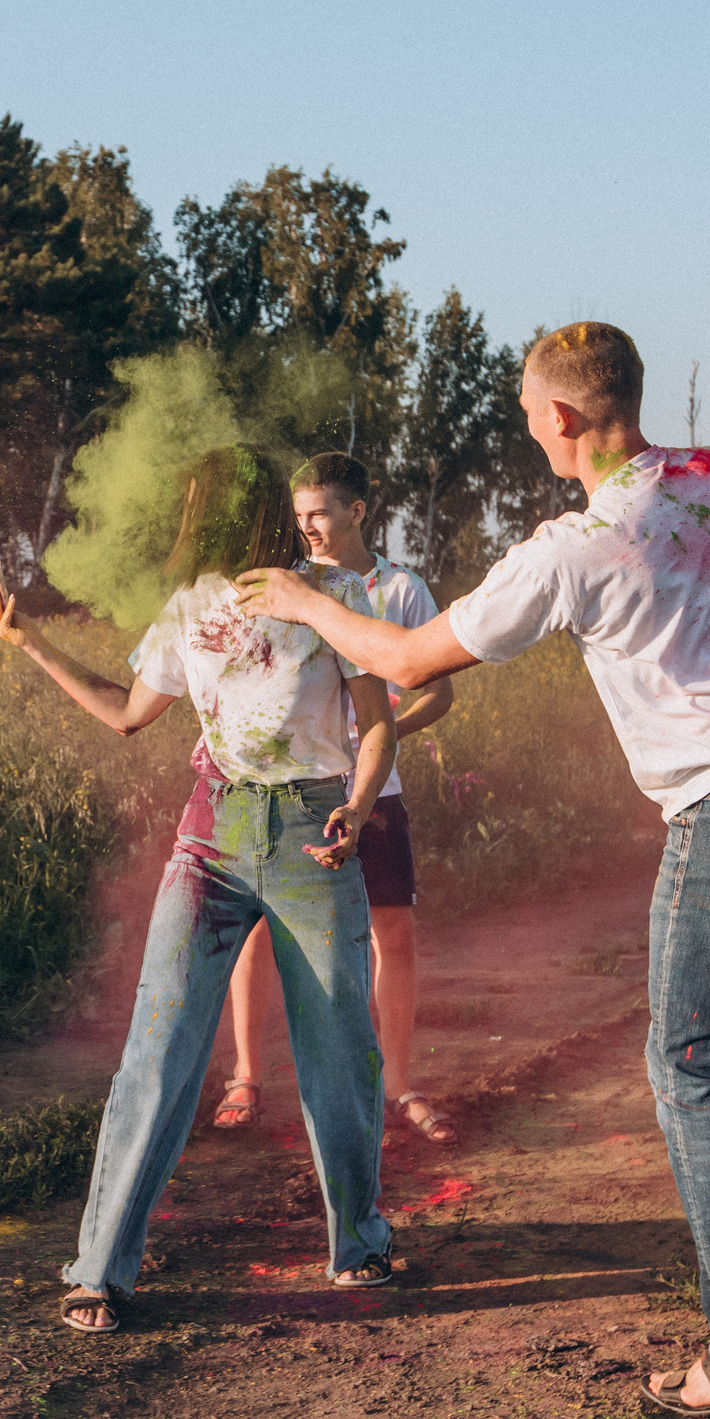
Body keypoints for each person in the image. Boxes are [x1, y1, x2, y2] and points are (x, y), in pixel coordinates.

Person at [237, 323, 710, 1418]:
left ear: (561, 418)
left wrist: (305, 602)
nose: (525, 428)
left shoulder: (574, 547)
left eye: (524, 413)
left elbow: (410, 660)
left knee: (693, 1073)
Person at [0, 442, 400, 1332]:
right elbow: (128, 715)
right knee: (159, 1047)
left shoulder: (333, 598)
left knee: (338, 1047)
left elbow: (377, 729)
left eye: (195, 503)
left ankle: (359, 1243)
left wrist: (360, 809)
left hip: (311, 834)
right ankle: (99, 1269)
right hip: (211, 833)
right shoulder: (188, 608)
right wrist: (28, 642)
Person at [215, 452, 458, 1145]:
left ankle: (399, 1083)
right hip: (292, 791)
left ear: (358, 509)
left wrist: (378, 734)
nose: (307, 528)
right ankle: (246, 1074)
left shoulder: (400, 589)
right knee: (260, 928)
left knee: (394, 933)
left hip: (377, 791)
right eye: (299, 516)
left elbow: (438, 689)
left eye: (319, 512)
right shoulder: (280, 586)